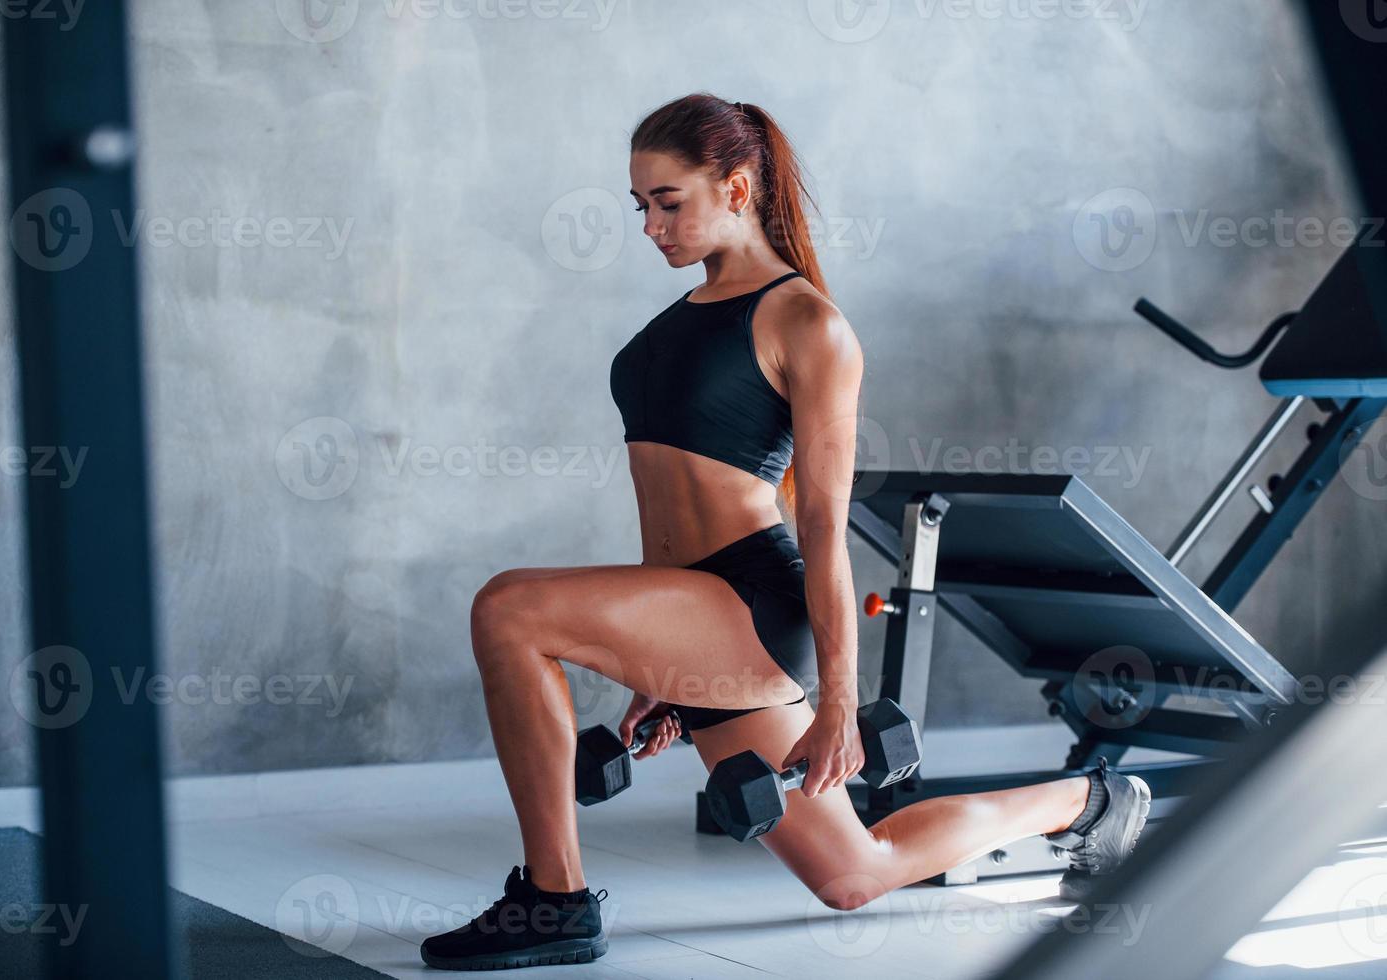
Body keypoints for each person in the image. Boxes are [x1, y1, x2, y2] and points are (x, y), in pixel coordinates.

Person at [420, 93, 1151, 971]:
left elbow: (824, 525)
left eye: (668, 201)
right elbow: (667, 516)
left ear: (734, 187)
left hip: (752, 601)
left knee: (509, 607)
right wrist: (657, 661)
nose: (650, 225)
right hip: (693, 609)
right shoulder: (677, 318)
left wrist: (841, 701)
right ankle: (1093, 801)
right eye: (640, 205)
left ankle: (555, 901)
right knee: (854, 874)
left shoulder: (808, 323)